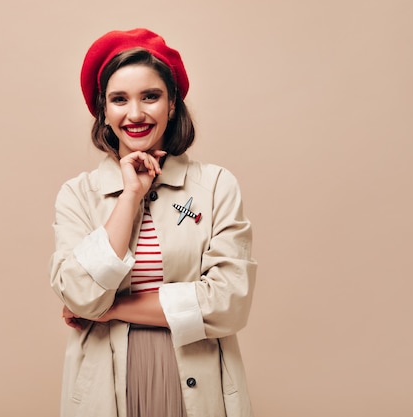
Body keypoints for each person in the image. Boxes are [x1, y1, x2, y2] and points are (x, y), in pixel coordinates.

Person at [50, 28, 257, 417]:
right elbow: (80, 295)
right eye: (119, 99)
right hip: (105, 383)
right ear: (103, 110)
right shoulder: (78, 194)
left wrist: (110, 310)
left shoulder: (214, 186)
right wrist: (130, 196)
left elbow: (228, 303)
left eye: (151, 96)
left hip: (197, 376)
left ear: (173, 103)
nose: (136, 114)